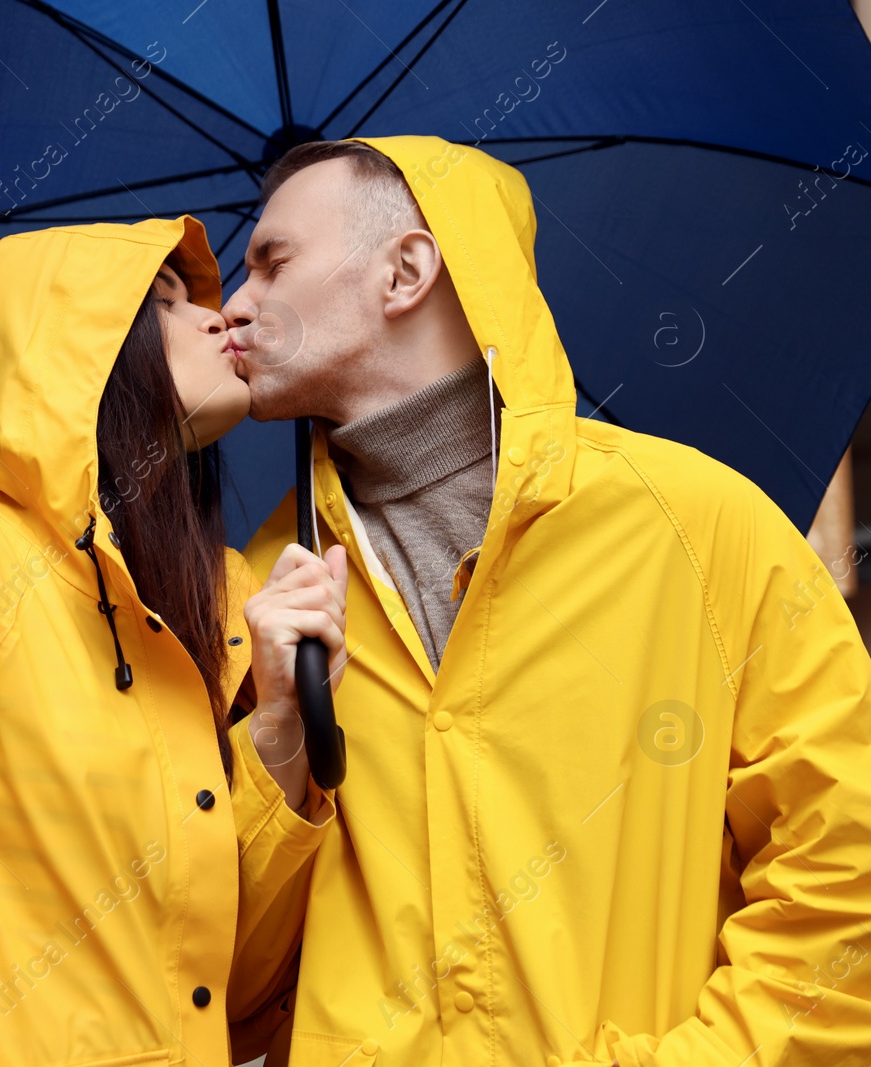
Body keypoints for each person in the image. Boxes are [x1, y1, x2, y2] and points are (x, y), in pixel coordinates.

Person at [221, 133, 871, 1066]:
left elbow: (846, 882)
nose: (235, 309)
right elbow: (233, 985)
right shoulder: (263, 588)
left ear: (405, 270)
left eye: (271, 262)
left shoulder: (698, 525)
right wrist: (279, 740)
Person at [0, 215, 350, 1067]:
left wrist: (279, 726)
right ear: (66, 350)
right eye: (164, 304)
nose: (217, 315)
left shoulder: (210, 601)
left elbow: (224, 995)